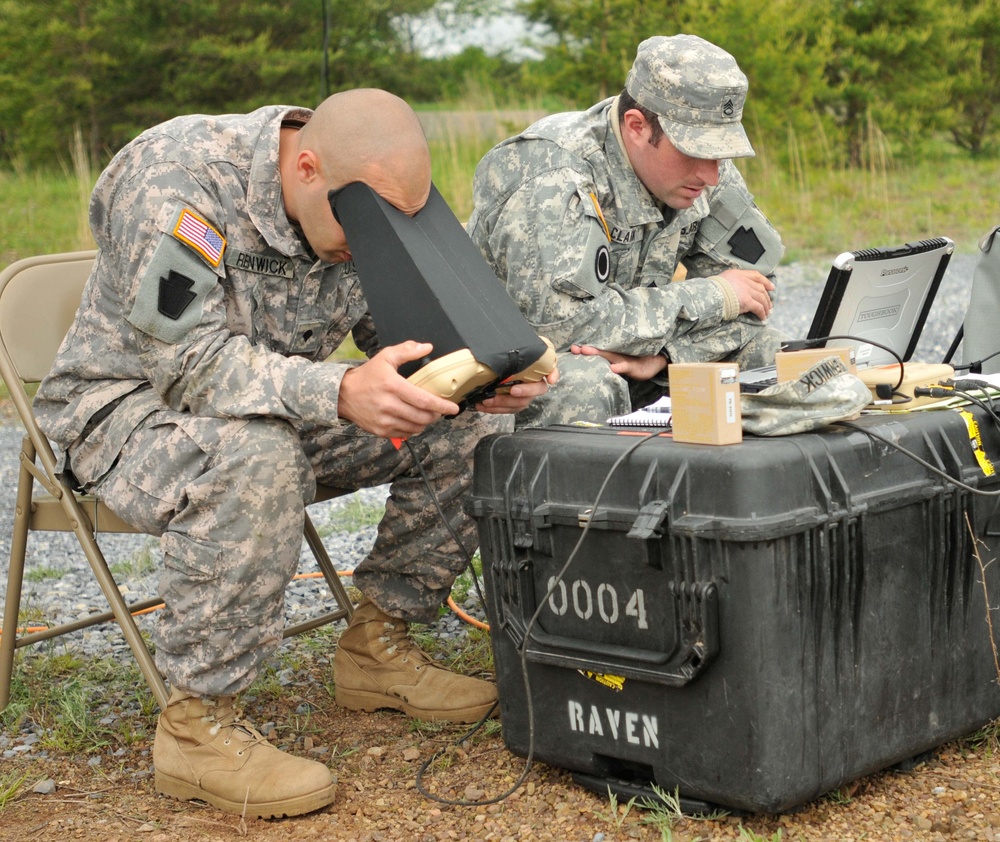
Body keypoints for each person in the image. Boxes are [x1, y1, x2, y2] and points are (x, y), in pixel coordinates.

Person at [33, 89, 555, 818]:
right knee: (260, 457)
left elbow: (394, 334)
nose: (373, 244)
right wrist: (341, 390)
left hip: (269, 408)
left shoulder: (356, 202)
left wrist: (476, 376)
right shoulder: (178, 177)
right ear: (307, 167)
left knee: (465, 425)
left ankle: (378, 644)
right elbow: (186, 366)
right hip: (126, 411)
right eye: (366, 225)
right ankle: (195, 725)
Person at [468, 34, 785, 428]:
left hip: (637, 360)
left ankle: (720, 484)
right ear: (636, 126)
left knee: (764, 350)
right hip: (519, 378)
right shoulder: (552, 172)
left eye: (721, 151)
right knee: (588, 381)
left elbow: (758, 294)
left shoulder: (703, 171)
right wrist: (713, 295)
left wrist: (667, 356)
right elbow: (562, 327)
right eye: (698, 151)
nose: (712, 174)